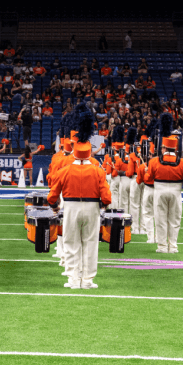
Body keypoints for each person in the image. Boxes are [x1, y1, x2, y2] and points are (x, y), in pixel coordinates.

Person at [48, 107, 111, 290]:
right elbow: (106, 196)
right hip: (92, 208)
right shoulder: (97, 169)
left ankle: (73, 279)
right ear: (89, 152)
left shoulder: (65, 169)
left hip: (70, 207)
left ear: (74, 152)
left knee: (71, 242)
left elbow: (53, 193)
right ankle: (88, 280)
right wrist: (104, 206)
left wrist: (54, 205)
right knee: (90, 243)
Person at [145, 115, 183, 253]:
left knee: (160, 219)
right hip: (176, 192)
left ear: (164, 147)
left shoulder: (154, 161)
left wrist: (148, 171)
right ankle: (173, 246)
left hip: (159, 191)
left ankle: (162, 246)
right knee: (174, 219)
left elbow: (148, 178)